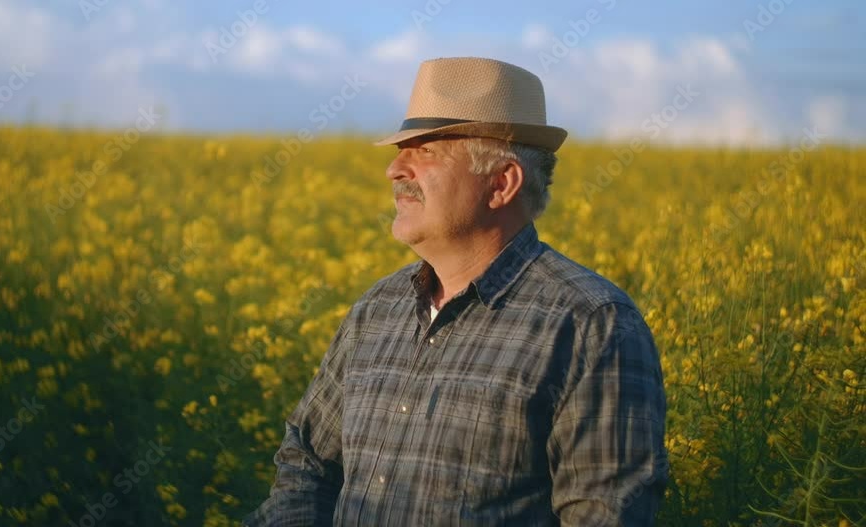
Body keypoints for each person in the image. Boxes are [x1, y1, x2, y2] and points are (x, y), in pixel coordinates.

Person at [243, 56, 668, 526]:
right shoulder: (376, 311)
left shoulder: (592, 324)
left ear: (502, 183)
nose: (395, 170)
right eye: (403, 149)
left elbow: (603, 517)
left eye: (426, 151)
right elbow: (307, 464)